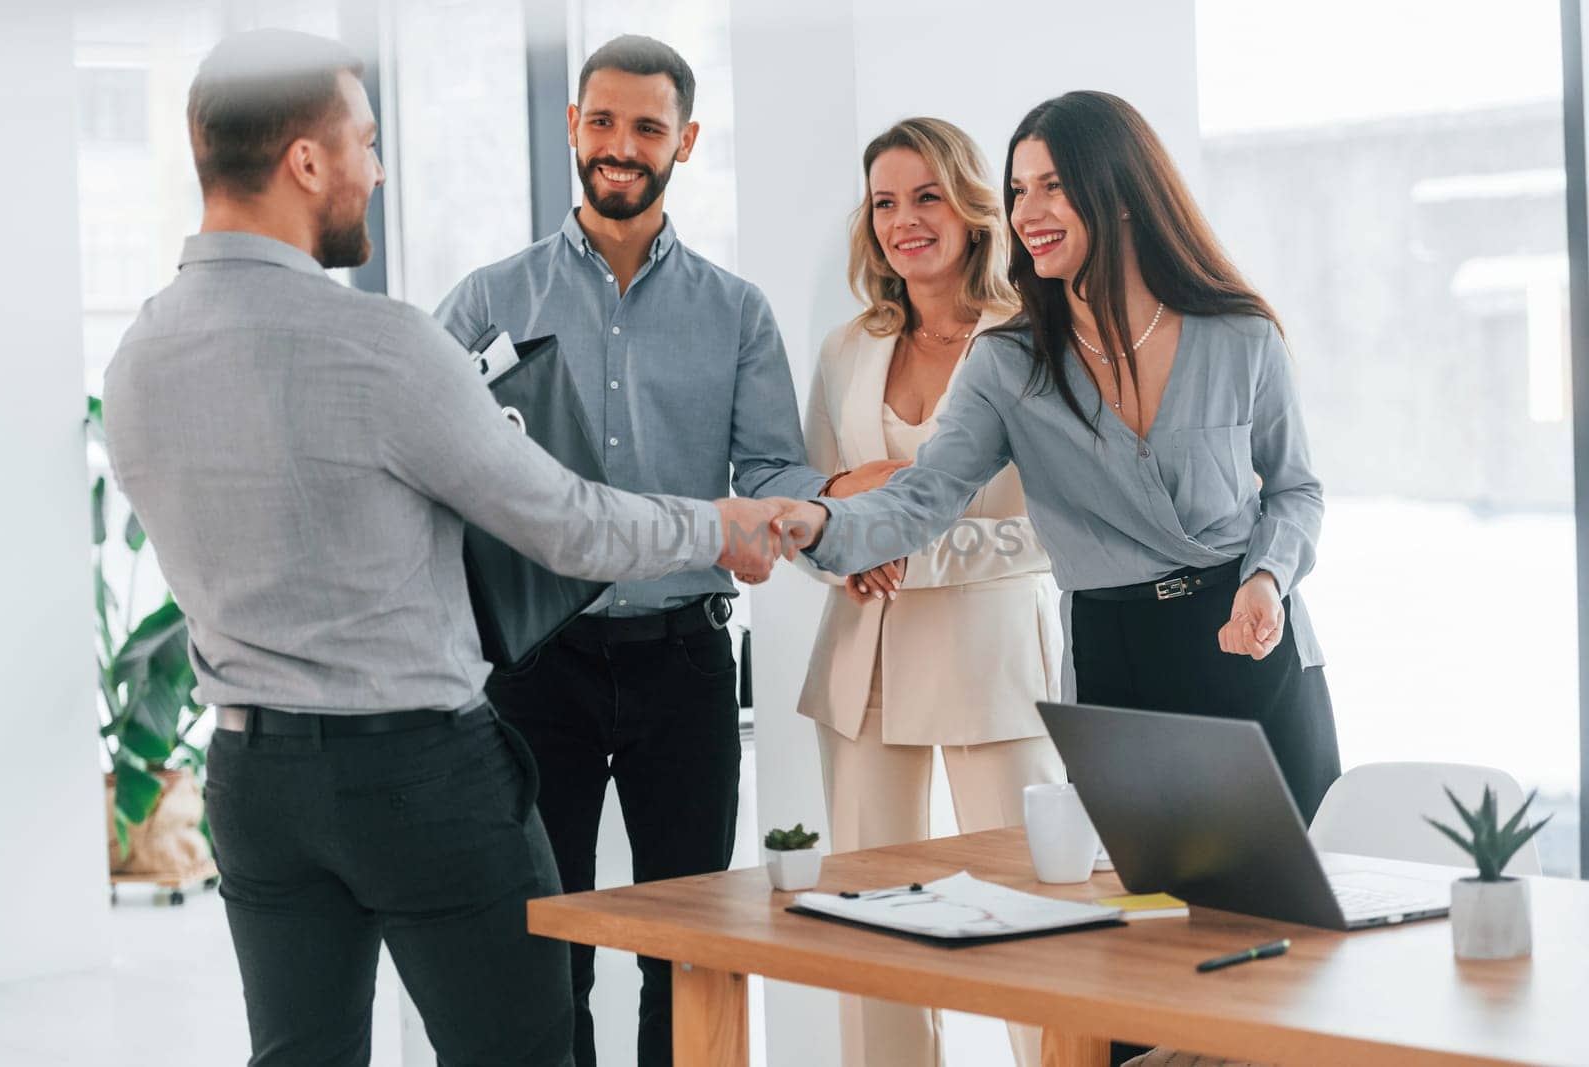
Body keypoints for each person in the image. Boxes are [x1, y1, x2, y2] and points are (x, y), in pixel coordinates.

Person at [102, 30, 796, 1067]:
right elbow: (562, 519)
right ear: (306, 160)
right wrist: (716, 524)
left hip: (251, 774)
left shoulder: (136, 355)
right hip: (419, 769)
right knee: (523, 1044)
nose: (376, 169)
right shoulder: (383, 343)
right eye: (367, 141)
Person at [433, 34, 883, 1067]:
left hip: (684, 661)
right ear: (572, 127)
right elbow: (436, 473)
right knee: (552, 943)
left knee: (690, 943)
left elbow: (771, 470)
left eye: (645, 127)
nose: (619, 146)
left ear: (684, 139)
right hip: (536, 668)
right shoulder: (484, 301)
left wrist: (830, 514)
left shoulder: (734, 311)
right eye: (601, 121)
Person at [786, 85, 1342, 905]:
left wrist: (1266, 580)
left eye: (1051, 185)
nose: (1028, 210)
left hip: (1250, 640)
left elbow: (1295, 491)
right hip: (1116, 656)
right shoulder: (1009, 363)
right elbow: (927, 494)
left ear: (1117, 192)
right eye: (1017, 190)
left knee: (1298, 937)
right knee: (1137, 939)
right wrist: (809, 520)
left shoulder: (1241, 335)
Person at [798, 117, 1063, 1067]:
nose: (904, 220)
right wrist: (840, 533)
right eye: (884, 203)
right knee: (872, 939)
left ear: (969, 205)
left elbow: (1055, 527)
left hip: (994, 666)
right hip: (863, 665)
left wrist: (909, 544)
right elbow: (809, 497)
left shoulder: (1033, 342)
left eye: (925, 197)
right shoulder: (844, 348)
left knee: (1028, 925)